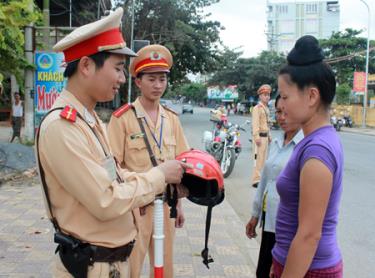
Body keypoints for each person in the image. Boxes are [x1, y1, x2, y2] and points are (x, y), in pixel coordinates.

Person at [35, 8, 187, 277]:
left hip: (110, 263)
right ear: (85, 66)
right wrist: (158, 176)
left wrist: (163, 185)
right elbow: (106, 199)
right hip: (92, 266)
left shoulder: (89, 120)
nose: (122, 78)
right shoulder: (62, 127)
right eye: (117, 68)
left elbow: (113, 177)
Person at [107, 44, 189, 278]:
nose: (158, 85)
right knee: (131, 265)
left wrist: (179, 205)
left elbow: (181, 164)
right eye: (151, 79)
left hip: (166, 204)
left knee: (164, 266)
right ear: (138, 81)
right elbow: (113, 167)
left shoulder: (171, 119)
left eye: (162, 79)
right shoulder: (122, 119)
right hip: (136, 208)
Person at [271, 35, 344, 277]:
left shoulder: (317, 152)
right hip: (296, 263)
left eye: (284, 96)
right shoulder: (313, 140)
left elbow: (309, 235)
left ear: (312, 96)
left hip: (310, 270)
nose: (281, 104)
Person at [246, 95, 303, 278]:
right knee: (263, 270)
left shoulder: (304, 147)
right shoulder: (278, 143)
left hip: (288, 227)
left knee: (276, 272)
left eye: (287, 112)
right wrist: (255, 215)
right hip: (269, 218)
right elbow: (265, 180)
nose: (281, 117)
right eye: (278, 112)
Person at [251, 84, 272, 188]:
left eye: (268, 95)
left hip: (265, 137)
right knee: (258, 159)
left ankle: (261, 178)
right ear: (260, 96)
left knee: (264, 159)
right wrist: (256, 137)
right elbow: (255, 123)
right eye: (265, 95)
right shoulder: (257, 108)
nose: (267, 97)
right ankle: (256, 180)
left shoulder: (266, 108)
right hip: (259, 137)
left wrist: (269, 135)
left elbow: (267, 124)